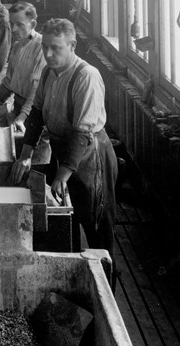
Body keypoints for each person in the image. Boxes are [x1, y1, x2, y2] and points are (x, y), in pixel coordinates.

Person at [9, 18, 118, 281]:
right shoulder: (48, 72)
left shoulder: (86, 76)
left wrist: (63, 174)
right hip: (64, 151)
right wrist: (25, 156)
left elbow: (82, 133)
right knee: (71, 215)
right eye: (45, 46)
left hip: (91, 157)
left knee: (97, 227)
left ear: (72, 45)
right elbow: (36, 114)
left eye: (55, 48)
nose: (47, 54)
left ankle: (107, 288)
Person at [0, 1, 50, 163]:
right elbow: (8, 84)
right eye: (11, 24)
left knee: (35, 163)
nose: (13, 29)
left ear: (33, 23)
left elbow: (36, 92)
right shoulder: (16, 46)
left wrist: (21, 118)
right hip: (20, 108)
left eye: (19, 24)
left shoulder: (41, 47)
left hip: (36, 115)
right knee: (16, 158)